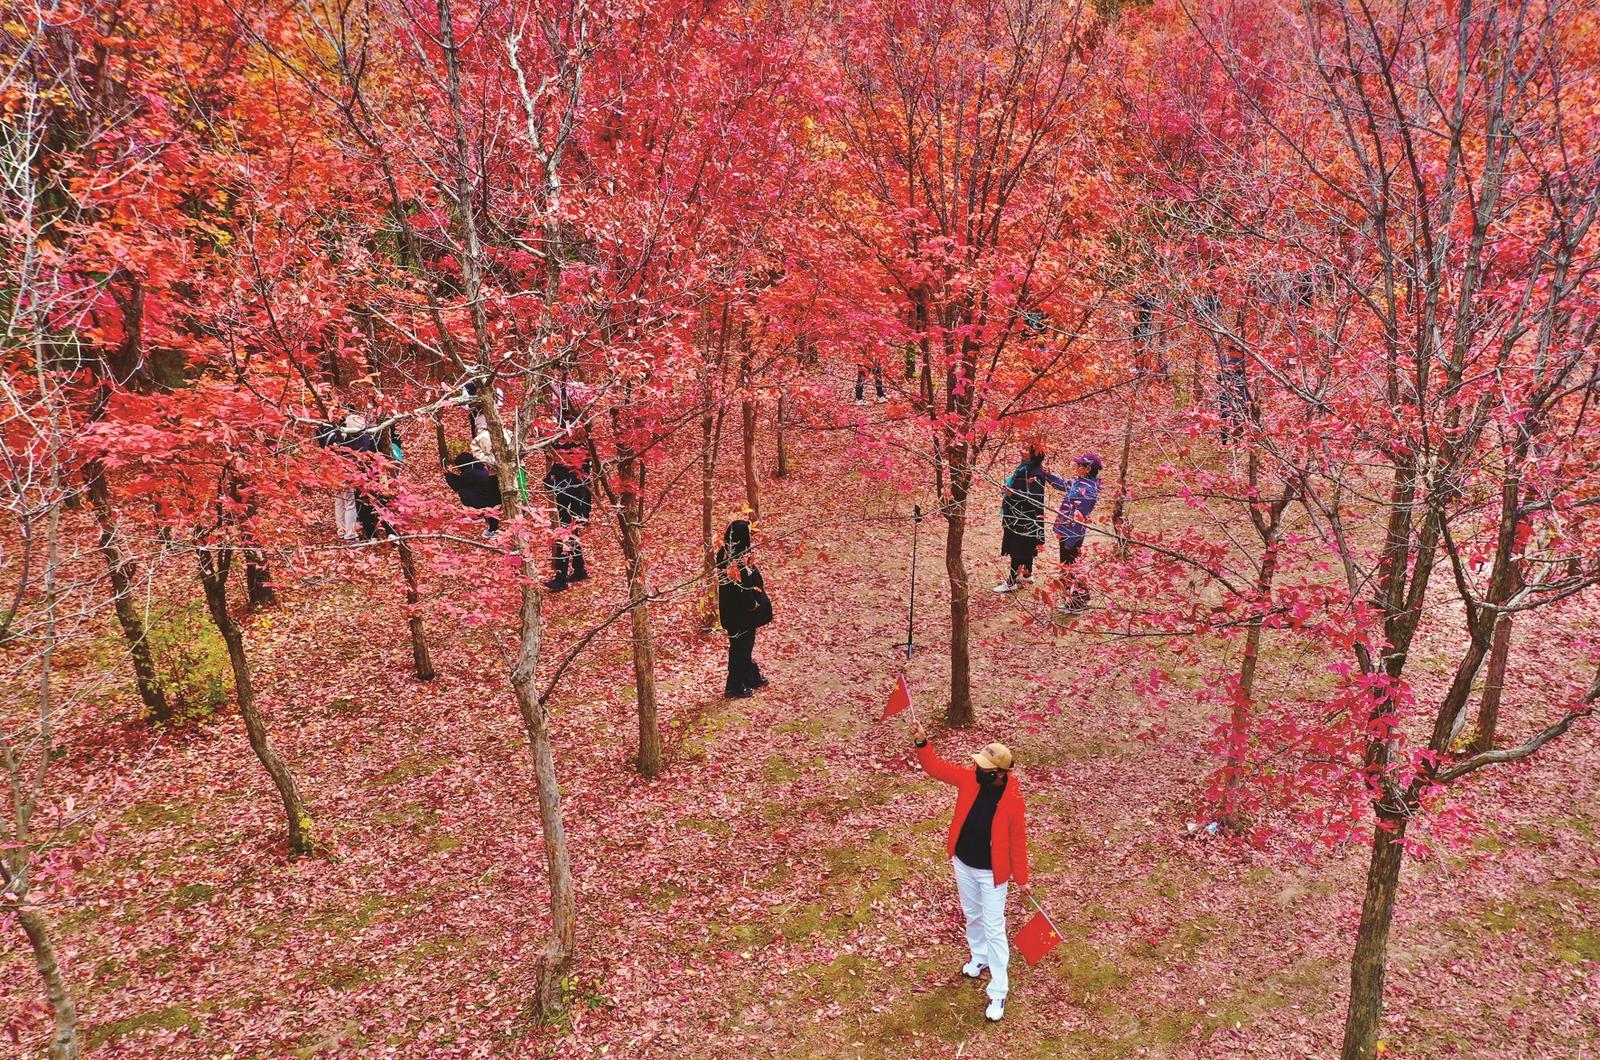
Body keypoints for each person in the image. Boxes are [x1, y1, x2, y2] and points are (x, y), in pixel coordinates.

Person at [910, 718, 1030, 1023]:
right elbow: (936, 768)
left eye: (985, 769)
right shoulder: (970, 779)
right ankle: (979, 956)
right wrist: (922, 743)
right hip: (963, 862)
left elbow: (1018, 841)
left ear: (1001, 774)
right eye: (978, 765)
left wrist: (1022, 878)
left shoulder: (1013, 802)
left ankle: (998, 991)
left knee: (994, 928)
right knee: (971, 914)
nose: (977, 770)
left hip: (991, 874)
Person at [544, 384, 594, 592]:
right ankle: (579, 568)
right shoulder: (581, 447)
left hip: (571, 494)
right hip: (578, 494)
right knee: (570, 533)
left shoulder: (571, 452)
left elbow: (558, 468)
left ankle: (561, 577)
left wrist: (549, 479)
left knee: (565, 532)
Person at [716, 519, 772, 698]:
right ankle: (734, 686)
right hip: (739, 614)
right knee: (741, 648)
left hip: (735, 613)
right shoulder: (735, 560)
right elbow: (741, 588)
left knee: (744, 647)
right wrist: (752, 605)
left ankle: (749, 676)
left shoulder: (727, 554)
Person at [1041, 451, 1101, 613]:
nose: (1077, 467)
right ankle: (1083, 596)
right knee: (1073, 566)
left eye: (1080, 465)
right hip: (1066, 531)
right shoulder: (1079, 482)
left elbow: (1079, 518)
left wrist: (1070, 541)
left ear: (1087, 469)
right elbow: (1063, 484)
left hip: (1071, 534)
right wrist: (1048, 475)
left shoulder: (1088, 490)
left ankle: (1075, 603)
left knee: (1068, 568)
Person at [994, 444, 1051, 593]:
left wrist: (1013, 494)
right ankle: (1027, 573)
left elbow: (1032, 499)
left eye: (1026, 449)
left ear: (1033, 455)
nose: (1021, 450)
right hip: (1018, 515)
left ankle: (1011, 581)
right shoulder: (1024, 469)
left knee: (1017, 548)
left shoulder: (1035, 474)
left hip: (1024, 518)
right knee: (1026, 545)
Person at [316, 407, 377, 542]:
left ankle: (341, 531)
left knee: (339, 502)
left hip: (334, 472)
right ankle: (350, 534)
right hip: (347, 473)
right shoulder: (359, 440)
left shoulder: (332, 436)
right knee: (349, 503)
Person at [444, 444, 503, 538]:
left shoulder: (470, 473)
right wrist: (451, 475)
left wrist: (448, 475)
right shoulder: (479, 468)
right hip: (489, 497)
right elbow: (463, 481)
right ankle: (480, 515)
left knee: (463, 491)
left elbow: (456, 486)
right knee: (465, 489)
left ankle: (477, 515)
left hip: (485, 501)